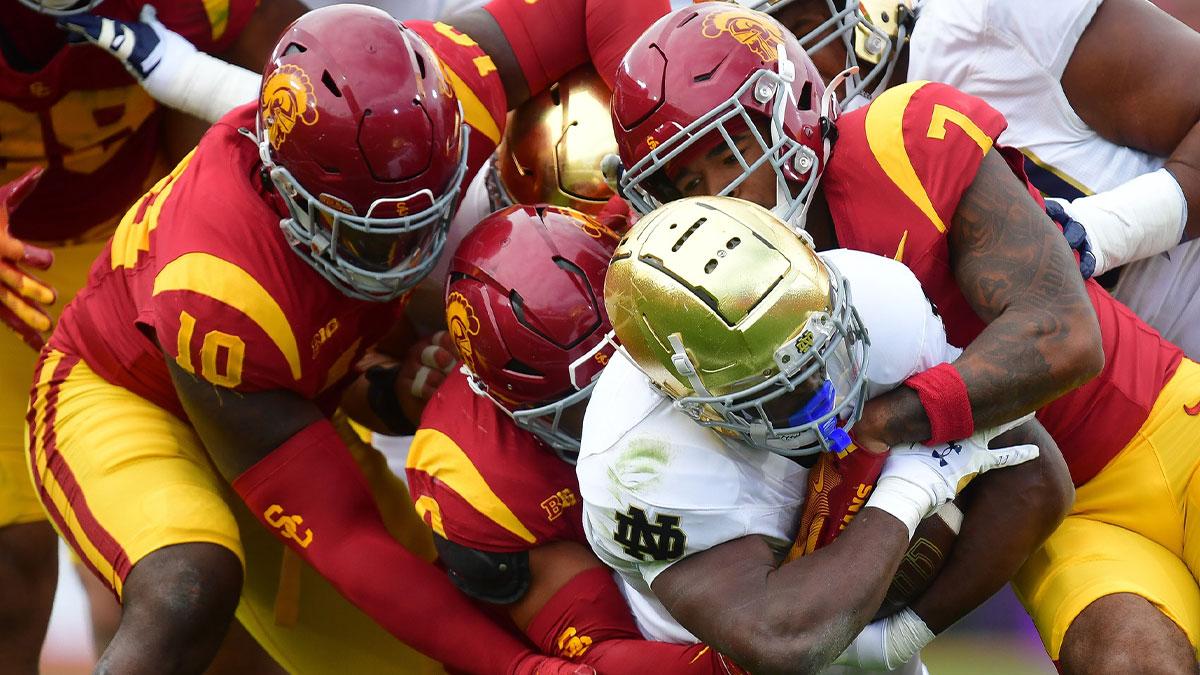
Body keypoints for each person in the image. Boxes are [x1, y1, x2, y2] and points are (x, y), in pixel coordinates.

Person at [23, 3, 669, 671]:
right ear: (284, 192)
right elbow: (347, 536)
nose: (411, 254)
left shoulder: (444, 85)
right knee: (190, 588)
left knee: (436, 655)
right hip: (122, 393)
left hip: (287, 395)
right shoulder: (222, 288)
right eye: (370, 234)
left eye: (430, 209)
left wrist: (664, 174)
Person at [607, 4, 1200, 670]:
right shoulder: (705, 309)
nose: (726, 195)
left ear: (791, 113)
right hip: (1070, 517)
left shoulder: (899, 144)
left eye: (732, 152)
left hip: (1166, 427)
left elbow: (1062, 337)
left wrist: (888, 428)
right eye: (689, 184)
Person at [577, 194, 1067, 673]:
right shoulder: (640, 462)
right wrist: (912, 485)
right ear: (687, 399)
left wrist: (900, 639)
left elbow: (1036, 476)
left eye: (820, 352)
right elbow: (781, 641)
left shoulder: (881, 302)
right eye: (770, 389)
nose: (820, 392)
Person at [0, 0, 304, 670]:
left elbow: (316, 91)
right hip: (13, 274)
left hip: (142, 252)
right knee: (10, 575)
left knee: (204, 572)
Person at [406, 203, 747, 672]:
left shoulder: (649, 245)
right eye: (585, 404)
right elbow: (606, 652)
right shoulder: (476, 474)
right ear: (511, 405)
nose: (632, 405)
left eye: (636, 364)